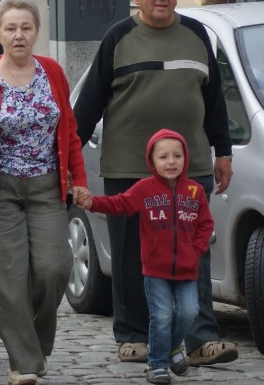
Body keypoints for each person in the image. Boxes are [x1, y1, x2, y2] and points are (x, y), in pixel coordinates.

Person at [73, 0, 237, 367]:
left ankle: (201, 339)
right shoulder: (119, 38)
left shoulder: (198, 35)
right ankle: (133, 335)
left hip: (190, 167)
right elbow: (89, 103)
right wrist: (68, 160)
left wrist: (224, 152)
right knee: (130, 256)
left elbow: (214, 101)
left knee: (192, 252)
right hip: (129, 167)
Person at [0, 0, 89, 385]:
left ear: (36, 32)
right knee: (9, 277)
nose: (18, 35)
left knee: (54, 268)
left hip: (47, 187)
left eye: (26, 27)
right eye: (10, 28)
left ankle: (32, 342)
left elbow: (70, 132)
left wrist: (78, 179)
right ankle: (25, 363)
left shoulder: (52, 72)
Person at [74, 129, 213, 384]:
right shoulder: (144, 190)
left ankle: (172, 347)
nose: (171, 162)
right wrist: (92, 203)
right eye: (163, 157)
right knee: (161, 316)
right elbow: (119, 204)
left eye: (177, 156)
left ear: (186, 158)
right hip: (155, 270)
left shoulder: (195, 192)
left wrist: (195, 251)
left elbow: (205, 225)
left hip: (187, 269)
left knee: (188, 312)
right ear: (152, 161)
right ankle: (157, 364)